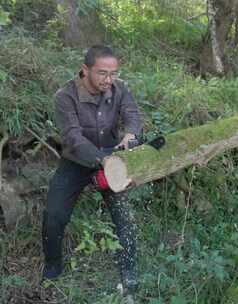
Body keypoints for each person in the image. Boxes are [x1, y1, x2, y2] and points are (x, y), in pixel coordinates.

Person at [42, 45, 142, 295]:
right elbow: (73, 138)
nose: (109, 80)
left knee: (123, 217)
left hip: (112, 158)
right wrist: (102, 160)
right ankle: (53, 265)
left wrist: (130, 135)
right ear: (85, 70)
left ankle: (127, 270)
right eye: (102, 73)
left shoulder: (120, 88)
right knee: (54, 215)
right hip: (76, 161)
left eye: (114, 73)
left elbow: (132, 114)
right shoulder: (65, 96)